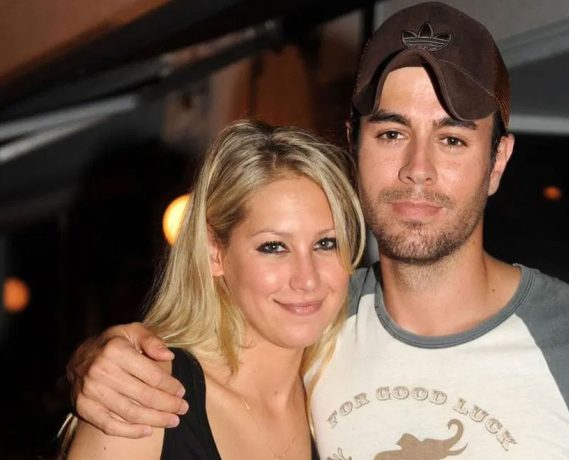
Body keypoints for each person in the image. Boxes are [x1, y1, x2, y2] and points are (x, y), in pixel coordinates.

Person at [67, 2, 569, 458]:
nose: (417, 168)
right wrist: (99, 361)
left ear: (498, 162)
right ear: (355, 146)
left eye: (452, 139)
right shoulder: (318, 320)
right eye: (391, 132)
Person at [63, 121, 365, 459]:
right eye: (274, 247)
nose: (307, 279)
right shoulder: (143, 394)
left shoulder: (344, 395)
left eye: (326, 243)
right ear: (214, 254)